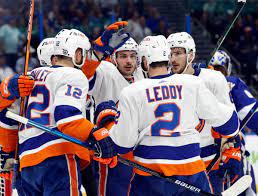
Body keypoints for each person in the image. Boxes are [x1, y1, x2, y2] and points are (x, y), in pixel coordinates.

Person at [94, 35, 239, 196]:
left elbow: (122, 145)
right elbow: (230, 124)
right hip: (191, 173)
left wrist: (108, 121)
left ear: (145, 61)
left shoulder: (132, 92)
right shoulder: (192, 84)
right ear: (168, 58)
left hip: (150, 176)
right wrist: (230, 140)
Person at [0, 21, 129, 195]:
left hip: (27, 164)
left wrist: (8, 153)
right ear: (77, 53)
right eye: (84, 53)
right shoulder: (74, 75)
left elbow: (7, 118)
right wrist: (98, 135)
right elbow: (67, 119)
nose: (85, 58)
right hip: (58, 157)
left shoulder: (30, 76)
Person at [167, 32, 241, 194]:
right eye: (170, 53)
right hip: (174, 162)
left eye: (178, 53)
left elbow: (228, 119)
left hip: (209, 160)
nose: (173, 59)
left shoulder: (213, 79)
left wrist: (231, 147)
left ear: (191, 55)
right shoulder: (162, 83)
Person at [81, 37, 144, 196]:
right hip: (109, 151)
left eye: (132, 56)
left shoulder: (142, 76)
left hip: (138, 154)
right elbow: (83, 78)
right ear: (114, 58)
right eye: (123, 56)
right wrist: (97, 53)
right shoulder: (105, 71)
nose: (128, 61)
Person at [209, 50, 257, 195]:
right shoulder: (232, 83)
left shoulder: (195, 84)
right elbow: (252, 116)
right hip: (229, 150)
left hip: (197, 156)